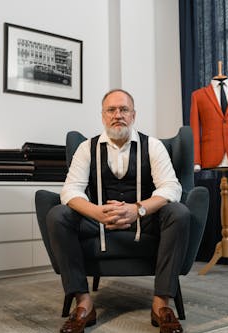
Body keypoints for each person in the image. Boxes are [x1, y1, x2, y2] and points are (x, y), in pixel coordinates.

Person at [46, 89, 190, 333]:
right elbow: (70, 191)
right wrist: (95, 212)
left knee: (179, 213)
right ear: (103, 116)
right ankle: (83, 303)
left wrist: (138, 209)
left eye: (124, 110)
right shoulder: (85, 148)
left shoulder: (153, 146)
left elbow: (171, 188)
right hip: (98, 221)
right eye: (111, 110)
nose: (117, 115)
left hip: (144, 219)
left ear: (133, 115)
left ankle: (161, 304)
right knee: (57, 215)